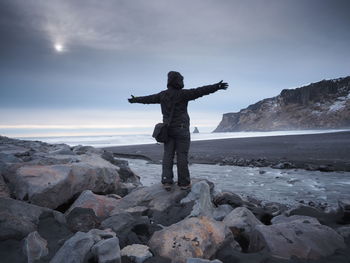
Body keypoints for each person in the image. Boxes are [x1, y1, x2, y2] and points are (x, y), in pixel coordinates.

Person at [128, 71, 228, 191]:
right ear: (179, 81)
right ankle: (184, 183)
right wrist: (216, 86)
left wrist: (135, 100)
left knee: (168, 156)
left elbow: (148, 99)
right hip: (182, 130)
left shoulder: (162, 95)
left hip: (168, 130)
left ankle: (167, 181)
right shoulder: (183, 94)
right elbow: (201, 91)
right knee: (182, 156)